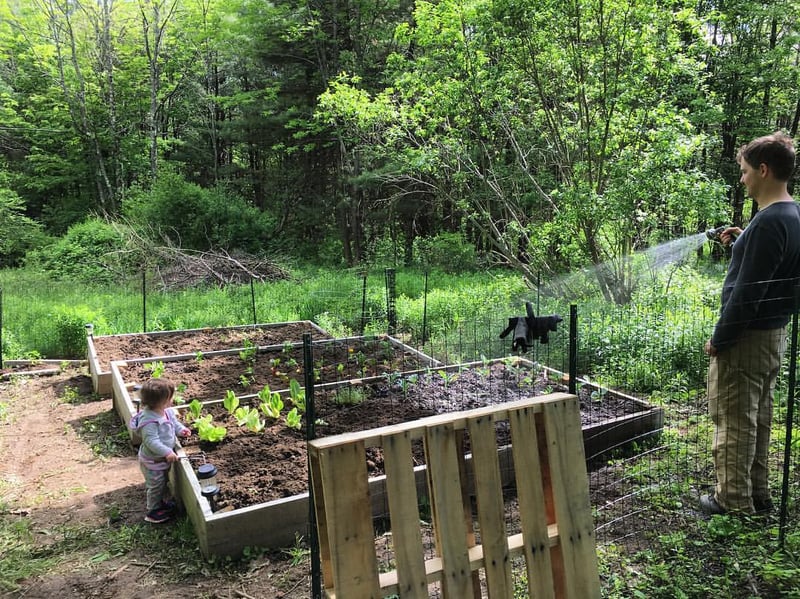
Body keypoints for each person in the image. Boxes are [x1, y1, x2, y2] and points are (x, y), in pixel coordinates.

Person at [702, 131, 800, 515]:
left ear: (763, 170)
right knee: (757, 416)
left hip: (746, 338)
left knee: (733, 419)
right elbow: (773, 273)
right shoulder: (791, 215)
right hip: (773, 334)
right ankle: (758, 493)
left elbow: (747, 295)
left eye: (744, 171)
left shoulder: (769, 223)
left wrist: (720, 339)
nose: (742, 179)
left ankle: (732, 501)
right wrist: (742, 242)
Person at [135, 378, 191, 523]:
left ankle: (160, 504)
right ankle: (152, 511)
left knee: (162, 482)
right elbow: (151, 442)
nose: (172, 399)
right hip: (152, 462)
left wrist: (181, 430)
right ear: (163, 401)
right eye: (170, 397)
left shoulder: (166, 411)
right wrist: (167, 452)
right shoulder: (149, 421)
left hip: (161, 459)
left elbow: (174, 424)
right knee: (155, 486)